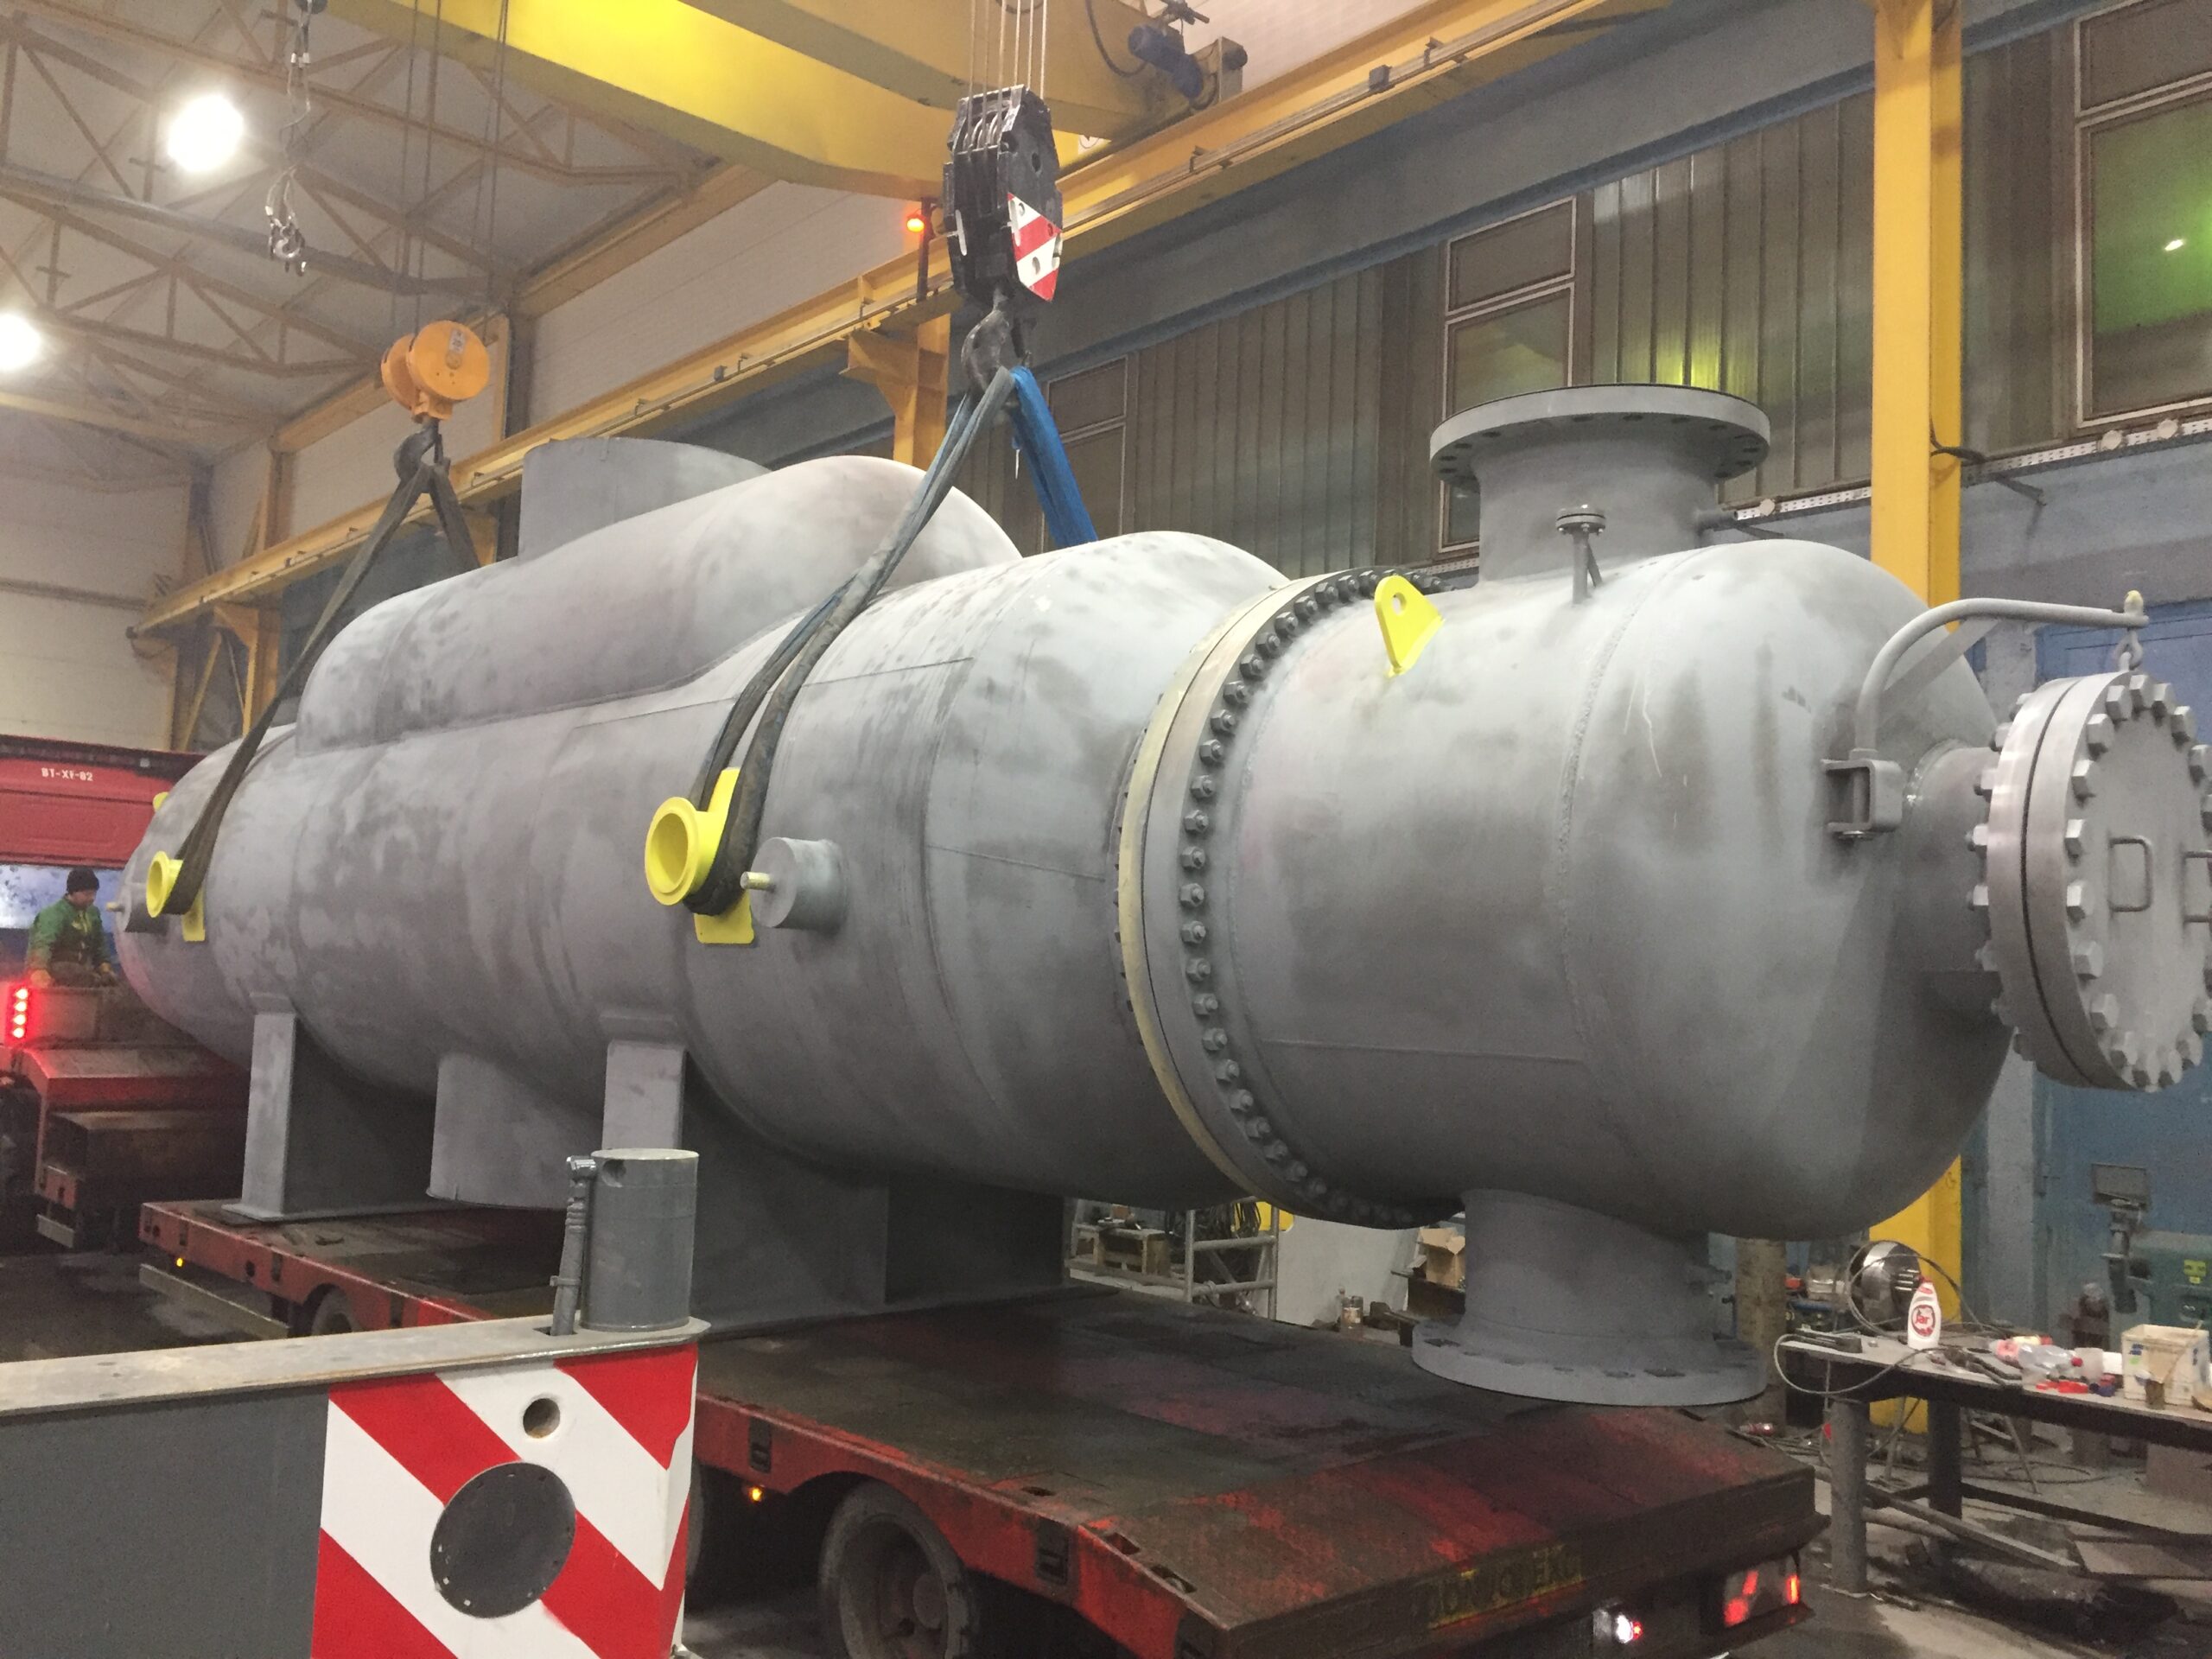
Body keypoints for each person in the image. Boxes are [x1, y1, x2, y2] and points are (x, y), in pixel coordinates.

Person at [26, 868, 114, 988]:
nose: (92, 898)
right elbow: (44, 943)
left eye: (94, 893)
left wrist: (105, 968)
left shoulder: (93, 914)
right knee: (75, 971)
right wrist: (39, 969)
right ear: (73, 892)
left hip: (82, 973)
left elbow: (99, 945)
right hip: (57, 972)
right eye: (87, 894)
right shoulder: (55, 914)